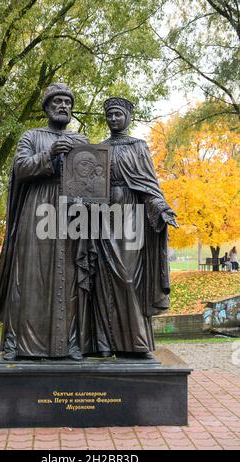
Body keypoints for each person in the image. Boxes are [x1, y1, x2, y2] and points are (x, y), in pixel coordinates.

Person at [0, 83, 90, 361]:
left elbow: (95, 178)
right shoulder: (31, 136)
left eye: (68, 101)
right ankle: (21, 345)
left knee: (69, 276)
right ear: (46, 107)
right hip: (38, 208)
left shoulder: (82, 140)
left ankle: (69, 344)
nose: (63, 105)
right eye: (57, 101)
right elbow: (21, 168)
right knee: (32, 276)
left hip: (70, 213)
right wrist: (51, 153)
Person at [89, 97, 178, 358]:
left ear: (128, 117)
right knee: (102, 279)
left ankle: (136, 342)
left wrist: (160, 208)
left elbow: (149, 185)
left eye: (118, 115)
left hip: (131, 215)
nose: (113, 119)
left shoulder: (138, 147)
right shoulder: (99, 149)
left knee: (127, 277)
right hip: (103, 216)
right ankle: (104, 343)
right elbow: (88, 184)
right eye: (109, 116)